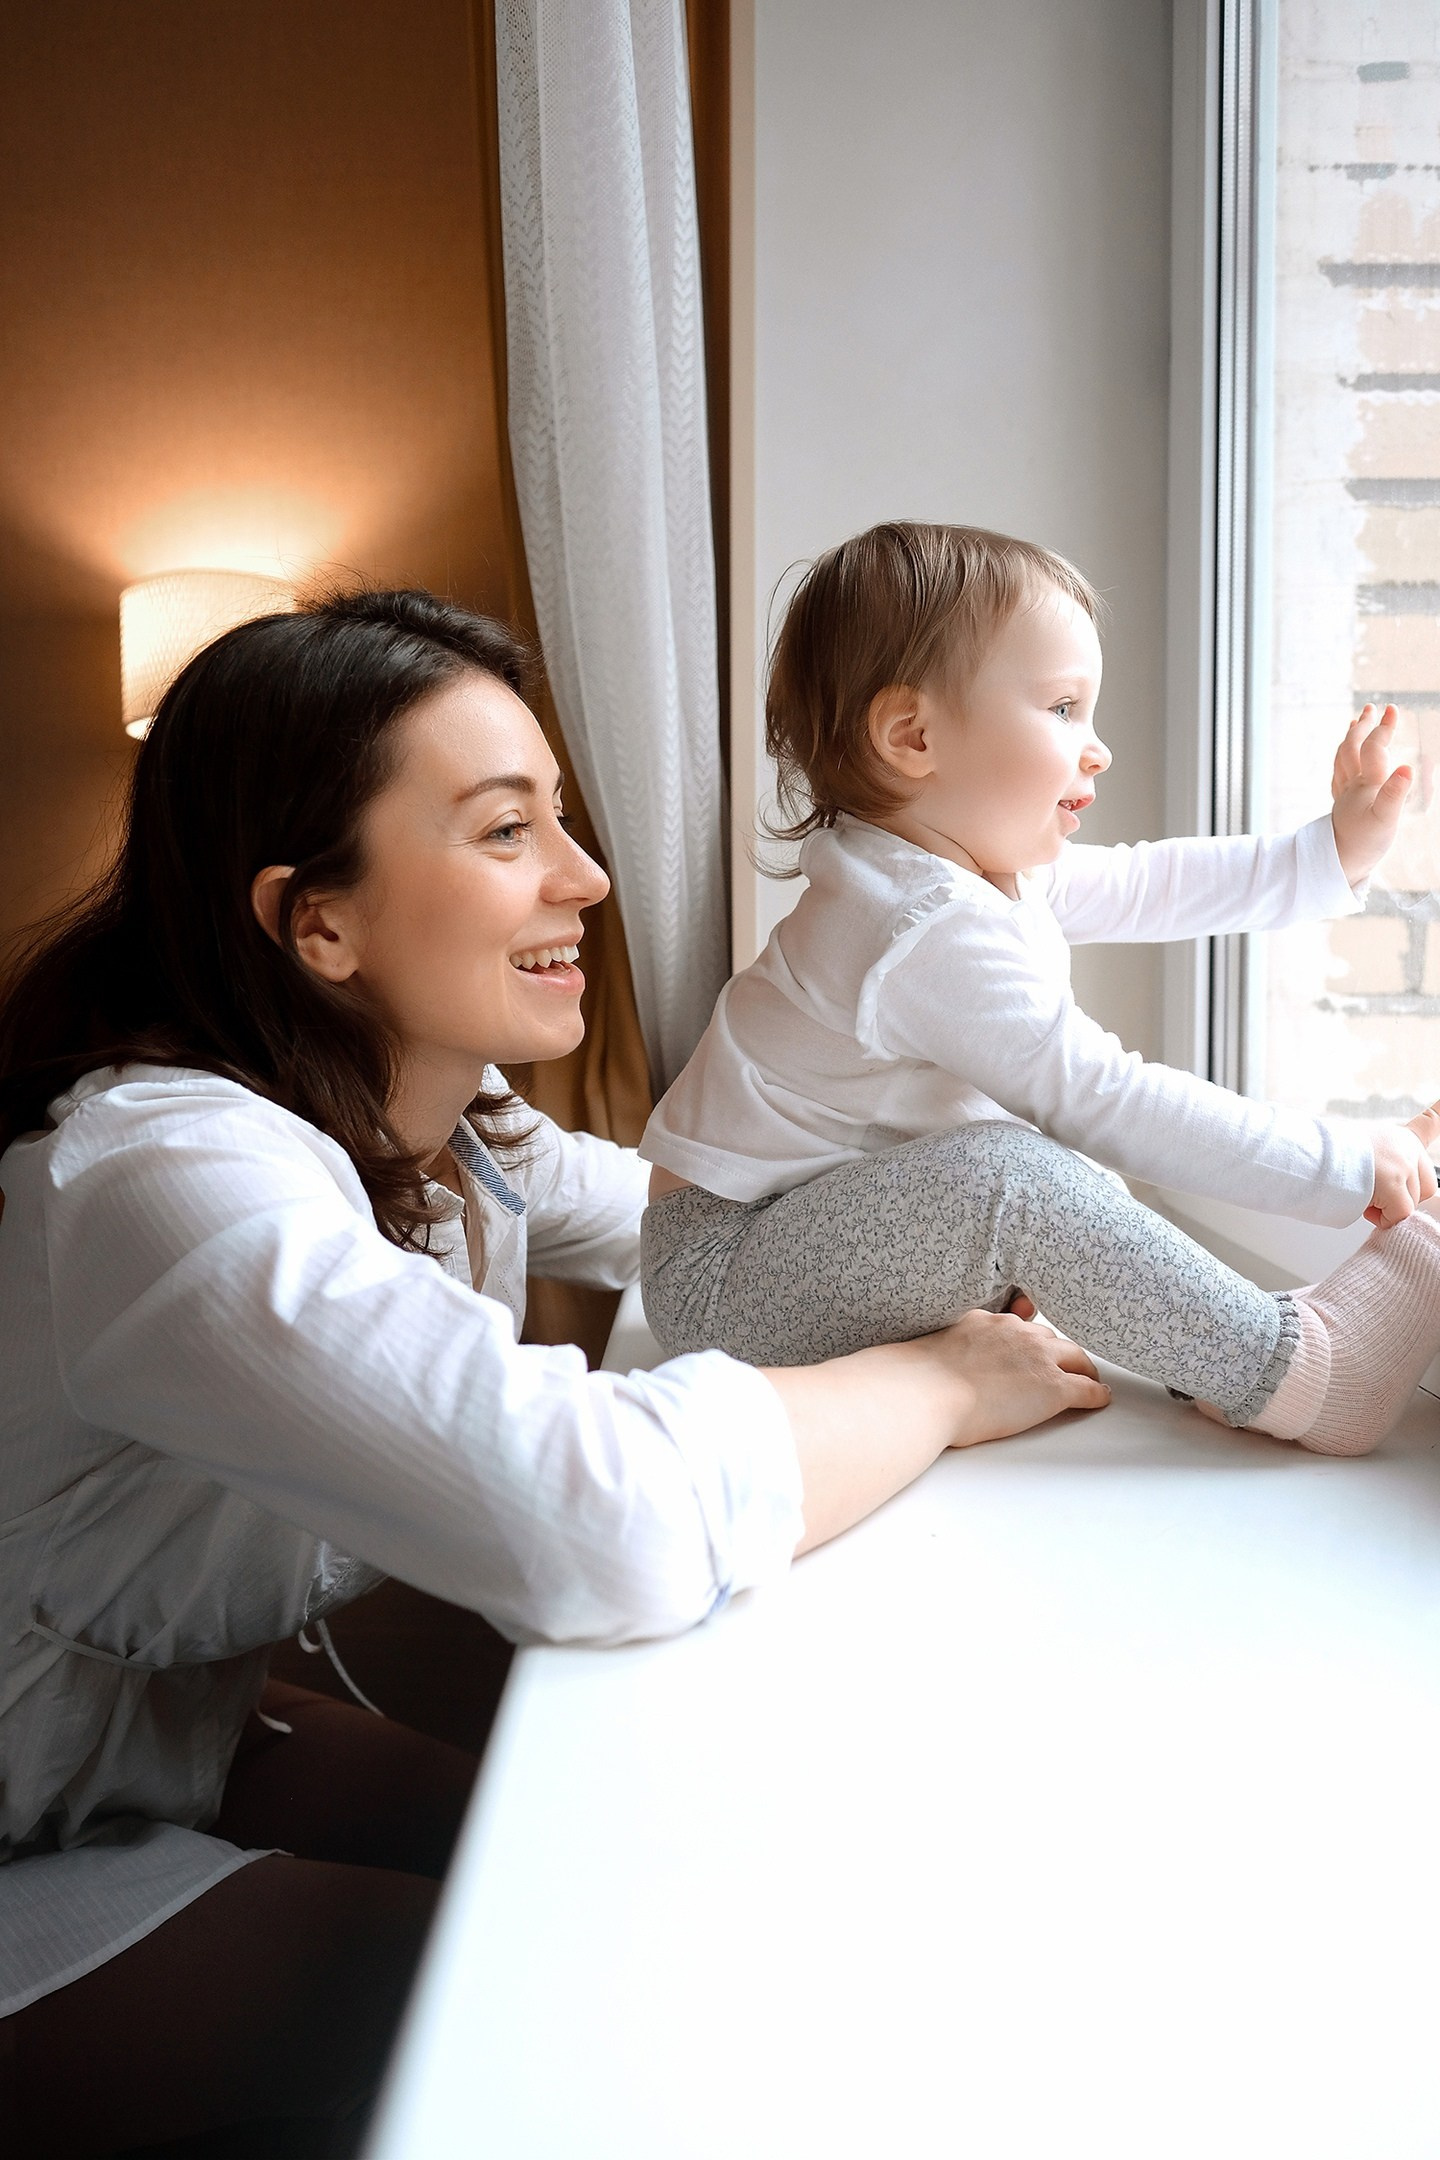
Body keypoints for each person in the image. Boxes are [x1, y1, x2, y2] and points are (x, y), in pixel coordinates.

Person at [0, 588, 1104, 2159]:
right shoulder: (168, 1182)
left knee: (599, 1855)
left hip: (147, 1738)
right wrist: (943, 1380)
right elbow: (598, 1516)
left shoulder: (456, 1137)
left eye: (564, 821)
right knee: (587, 1999)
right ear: (316, 920)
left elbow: (714, 1221)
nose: (583, 880)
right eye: (508, 830)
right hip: (26, 1840)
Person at [641, 520, 1440, 1459]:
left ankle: (1217, 1349)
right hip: (729, 1280)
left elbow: (1154, 883)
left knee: (1030, 1152)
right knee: (1018, 1171)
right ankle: (1307, 1373)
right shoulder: (916, 924)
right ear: (913, 736)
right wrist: (1339, 1166)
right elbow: (1101, 1096)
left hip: (808, 1240)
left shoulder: (967, 875)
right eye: (1063, 708)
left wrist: (1325, 854)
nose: (1096, 749)